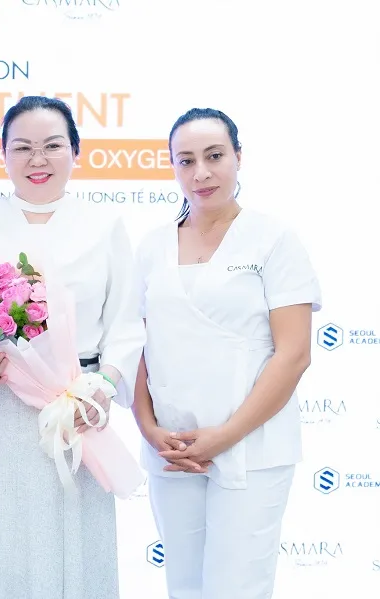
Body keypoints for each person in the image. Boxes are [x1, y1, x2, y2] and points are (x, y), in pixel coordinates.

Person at [0, 96, 146, 599]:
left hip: (77, 404)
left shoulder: (104, 224)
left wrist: (103, 385)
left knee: (74, 539)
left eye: (52, 146)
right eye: (22, 147)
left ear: (76, 151)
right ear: (2, 154)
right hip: (0, 404)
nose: (37, 159)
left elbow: (126, 325)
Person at [132, 108, 321, 599]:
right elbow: (137, 347)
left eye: (214, 156)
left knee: (238, 587)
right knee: (184, 586)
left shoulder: (273, 239)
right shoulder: (152, 247)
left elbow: (294, 354)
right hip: (173, 450)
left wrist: (225, 437)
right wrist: (148, 427)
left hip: (252, 446)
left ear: (238, 157)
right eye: (186, 160)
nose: (201, 173)